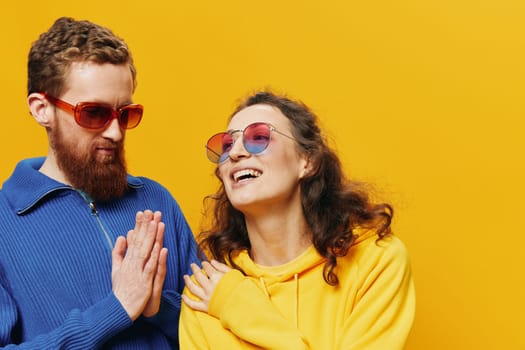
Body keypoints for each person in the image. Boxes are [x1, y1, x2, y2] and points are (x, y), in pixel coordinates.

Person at [0, 17, 199, 348]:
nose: (115, 131)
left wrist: (157, 307)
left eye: (125, 114)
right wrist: (115, 309)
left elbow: (215, 333)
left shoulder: (157, 200)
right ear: (41, 109)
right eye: (94, 113)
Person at [179, 91, 416, 349]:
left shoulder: (374, 262)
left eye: (258, 137)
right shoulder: (207, 290)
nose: (235, 153)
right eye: (226, 146)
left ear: (308, 160)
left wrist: (242, 308)